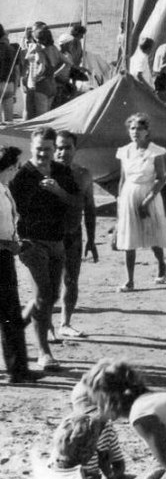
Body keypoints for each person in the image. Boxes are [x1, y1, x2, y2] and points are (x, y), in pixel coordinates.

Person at [12, 128, 74, 373]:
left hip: (57, 241)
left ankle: (12, 330)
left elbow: (74, 202)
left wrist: (58, 191)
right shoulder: (21, 176)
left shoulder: (61, 171)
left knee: (50, 296)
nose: (44, 153)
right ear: (31, 145)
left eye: (48, 148)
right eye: (39, 148)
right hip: (32, 242)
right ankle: (43, 352)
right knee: (43, 295)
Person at [0, 145, 42, 384]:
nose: (17, 171)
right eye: (15, 166)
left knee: (11, 315)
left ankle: (18, 369)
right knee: (10, 315)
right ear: (8, 167)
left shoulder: (4, 189)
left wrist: (14, 243)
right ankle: (17, 370)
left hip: (4, 255)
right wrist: (9, 245)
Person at [114, 115, 166, 292]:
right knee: (129, 238)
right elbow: (123, 179)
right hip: (129, 194)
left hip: (149, 194)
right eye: (132, 128)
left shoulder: (155, 151)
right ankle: (130, 280)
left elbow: (161, 179)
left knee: (152, 235)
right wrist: (120, 201)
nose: (135, 132)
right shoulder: (124, 151)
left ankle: (161, 264)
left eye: (139, 128)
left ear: (147, 131)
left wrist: (146, 202)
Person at [54, 130, 97, 339]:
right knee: (48, 285)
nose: (62, 152)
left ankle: (65, 323)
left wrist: (92, 239)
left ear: (75, 149)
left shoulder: (83, 174)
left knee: (71, 280)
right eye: (59, 147)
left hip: (73, 234)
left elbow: (89, 207)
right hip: (48, 236)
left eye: (67, 147)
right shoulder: (43, 173)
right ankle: (46, 327)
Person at [23, 25, 64, 119]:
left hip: (41, 85)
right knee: (46, 115)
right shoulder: (54, 49)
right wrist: (56, 73)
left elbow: (41, 67)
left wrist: (36, 78)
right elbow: (68, 62)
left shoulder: (39, 49)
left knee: (39, 117)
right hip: (52, 83)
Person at [0, 24, 20, 123]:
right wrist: (15, 91)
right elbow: (17, 71)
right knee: (9, 121)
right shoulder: (12, 49)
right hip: (9, 85)